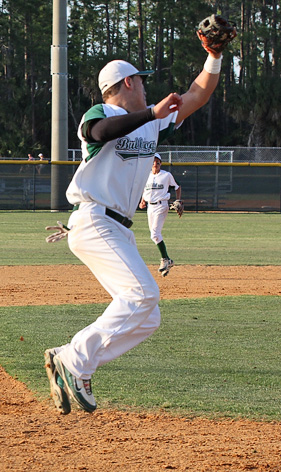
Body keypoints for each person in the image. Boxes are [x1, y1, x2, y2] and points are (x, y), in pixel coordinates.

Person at [43, 31, 226, 415]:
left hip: (118, 228)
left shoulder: (151, 123)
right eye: (140, 80)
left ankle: (73, 358)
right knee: (143, 296)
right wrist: (150, 114)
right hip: (95, 220)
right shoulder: (103, 113)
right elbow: (98, 133)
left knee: (148, 316)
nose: (145, 87)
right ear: (127, 83)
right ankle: (76, 360)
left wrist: (213, 56)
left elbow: (197, 95)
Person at [139, 153, 183, 277]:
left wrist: (178, 200)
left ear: (161, 163)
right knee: (153, 236)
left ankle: (164, 259)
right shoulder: (146, 175)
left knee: (155, 233)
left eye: (158, 161)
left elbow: (177, 186)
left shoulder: (166, 175)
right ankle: (168, 260)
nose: (155, 163)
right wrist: (142, 200)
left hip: (161, 206)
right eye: (153, 161)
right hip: (150, 207)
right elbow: (145, 189)